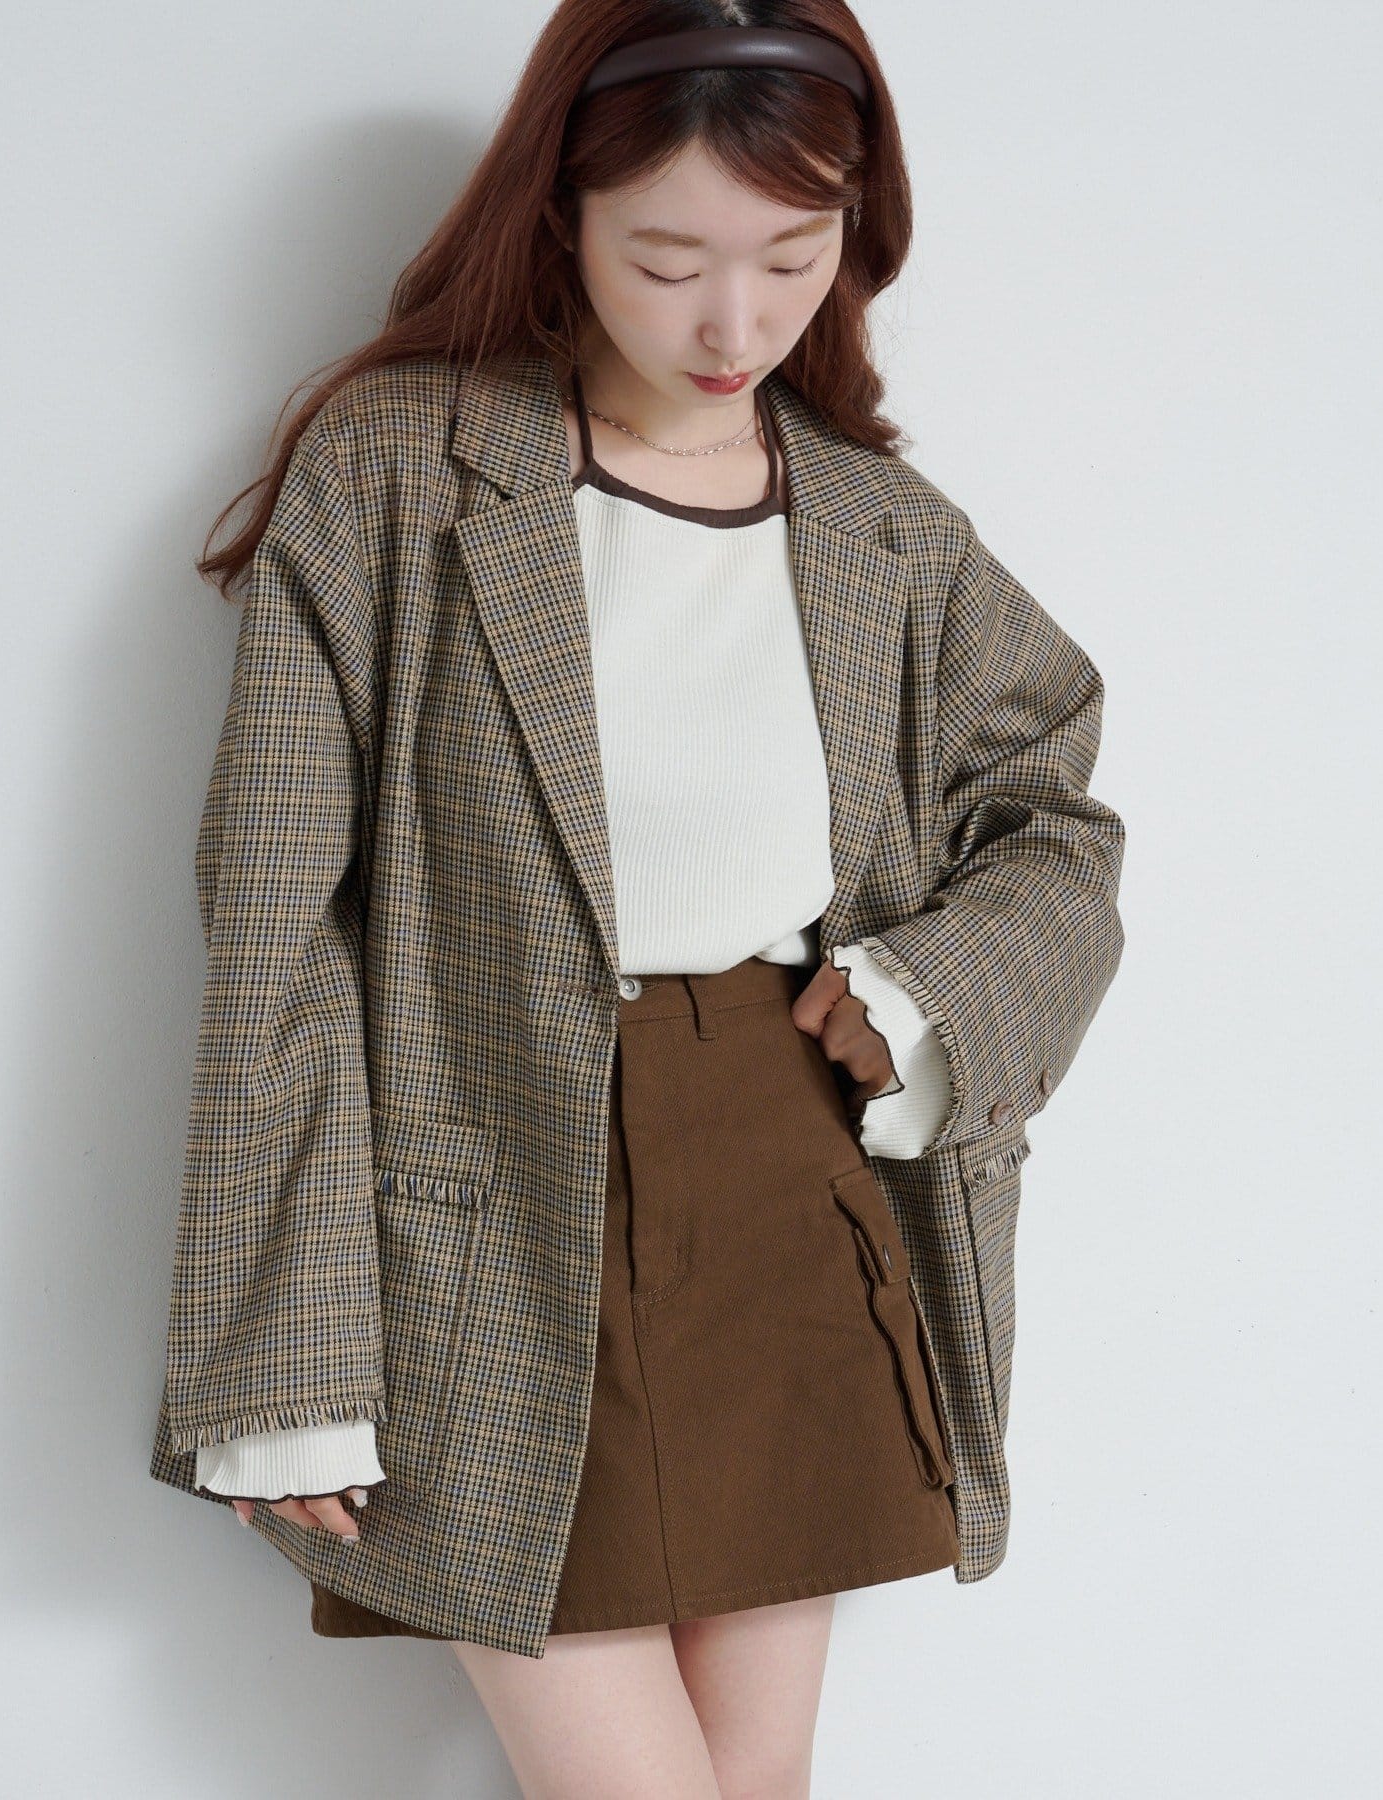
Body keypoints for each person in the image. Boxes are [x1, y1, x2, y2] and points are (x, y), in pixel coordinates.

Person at [148, 4, 1126, 1792]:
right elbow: (281, 916)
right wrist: (286, 1338)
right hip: (486, 1191)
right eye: (669, 261)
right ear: (562, 217)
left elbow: (1053, 813)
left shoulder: (885, 531)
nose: (734, 326)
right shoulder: (398, 472)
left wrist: (926, 989)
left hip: (793, 1158)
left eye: (792, 258)